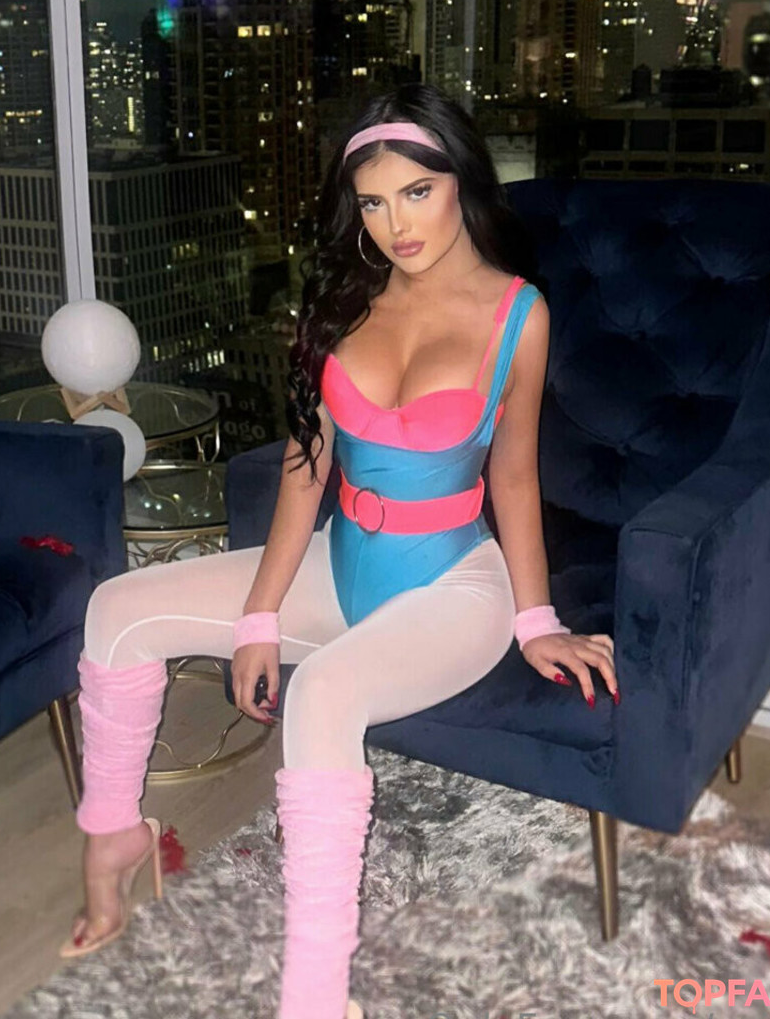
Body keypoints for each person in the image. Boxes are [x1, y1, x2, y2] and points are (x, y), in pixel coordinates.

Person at [59, 81, 618, 1019]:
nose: (397, 224)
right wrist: (260, 616)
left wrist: (536, 620)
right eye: (373, 202)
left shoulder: (520, 314)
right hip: (342, 555)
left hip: (454, 583)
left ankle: (316, 998)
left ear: (460, 180)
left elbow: (515, 477)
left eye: (417, 192)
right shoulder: (345, 304)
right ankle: (112, 838)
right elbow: (304, 469)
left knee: (320, 692)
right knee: (115, 609)